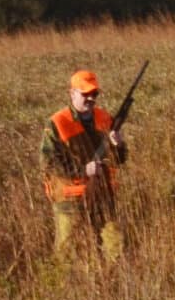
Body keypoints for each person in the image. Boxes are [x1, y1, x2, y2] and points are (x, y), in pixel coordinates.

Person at [45, 68, 127, 261]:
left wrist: (119, 145)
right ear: (72, 93)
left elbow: (119, 160)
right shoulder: (57, 123)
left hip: (102, 193)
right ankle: (61, 286)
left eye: (94, 94)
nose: (91, 98)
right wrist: (83, 170)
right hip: (70, 198)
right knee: (66, 250)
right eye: (85, 94)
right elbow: (49, 163)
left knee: (114, 245)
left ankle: (110, 283)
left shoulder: (104, 118)